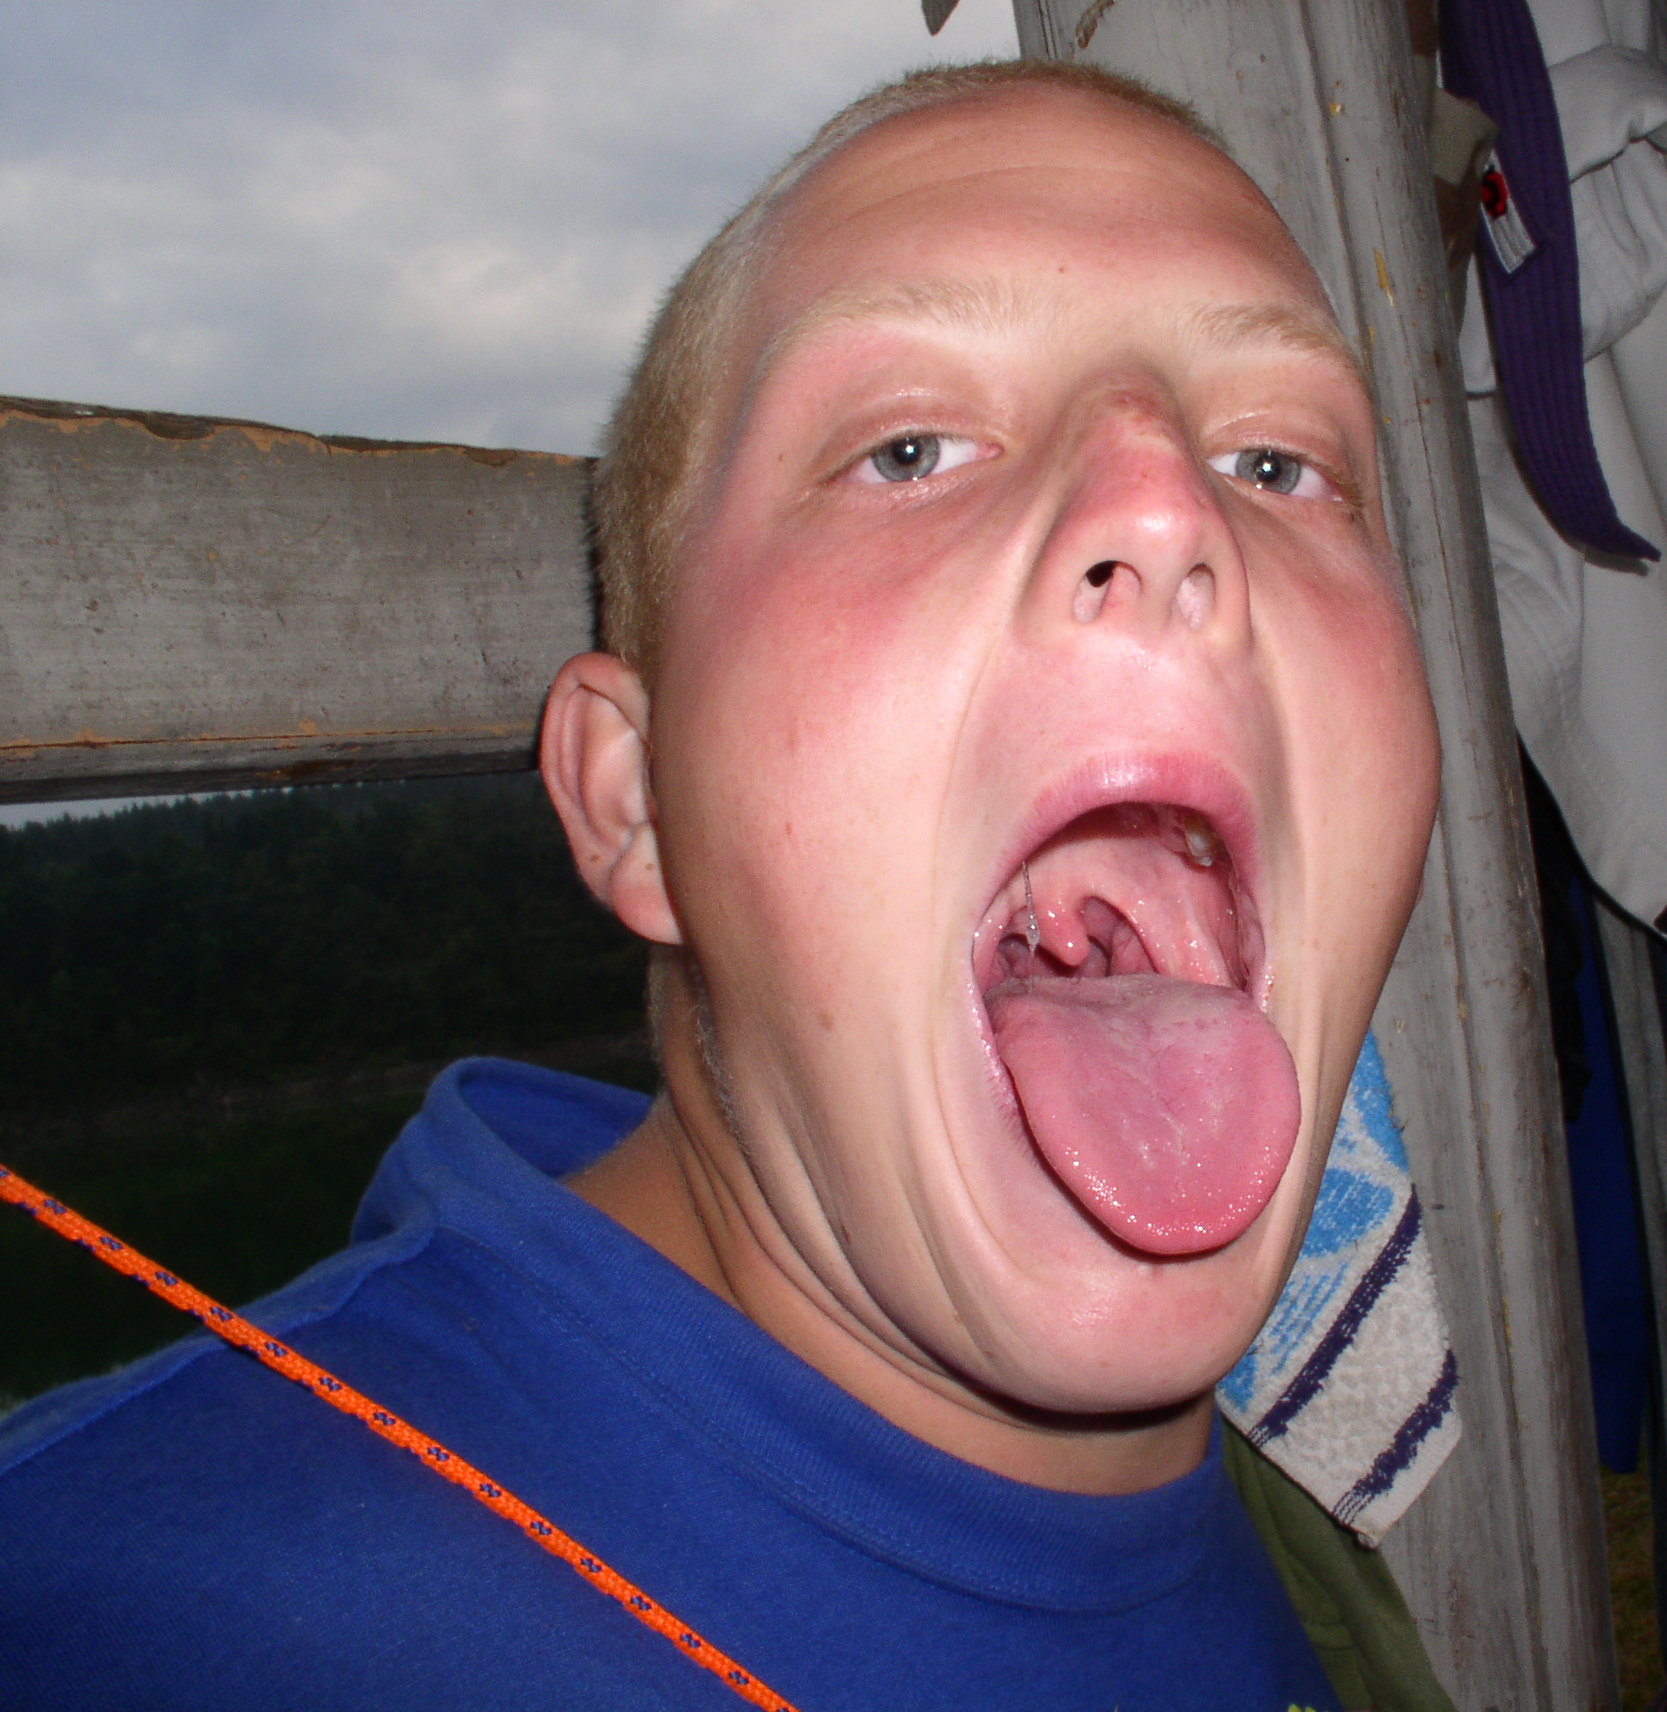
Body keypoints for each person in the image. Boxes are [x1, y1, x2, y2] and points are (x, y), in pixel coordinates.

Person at [0, 60, 1441, 1711]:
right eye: (910, 447)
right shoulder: (136, 1617)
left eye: (1278, 464)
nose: (1166, 506)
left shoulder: (1298, 1528)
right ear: (638, 804)